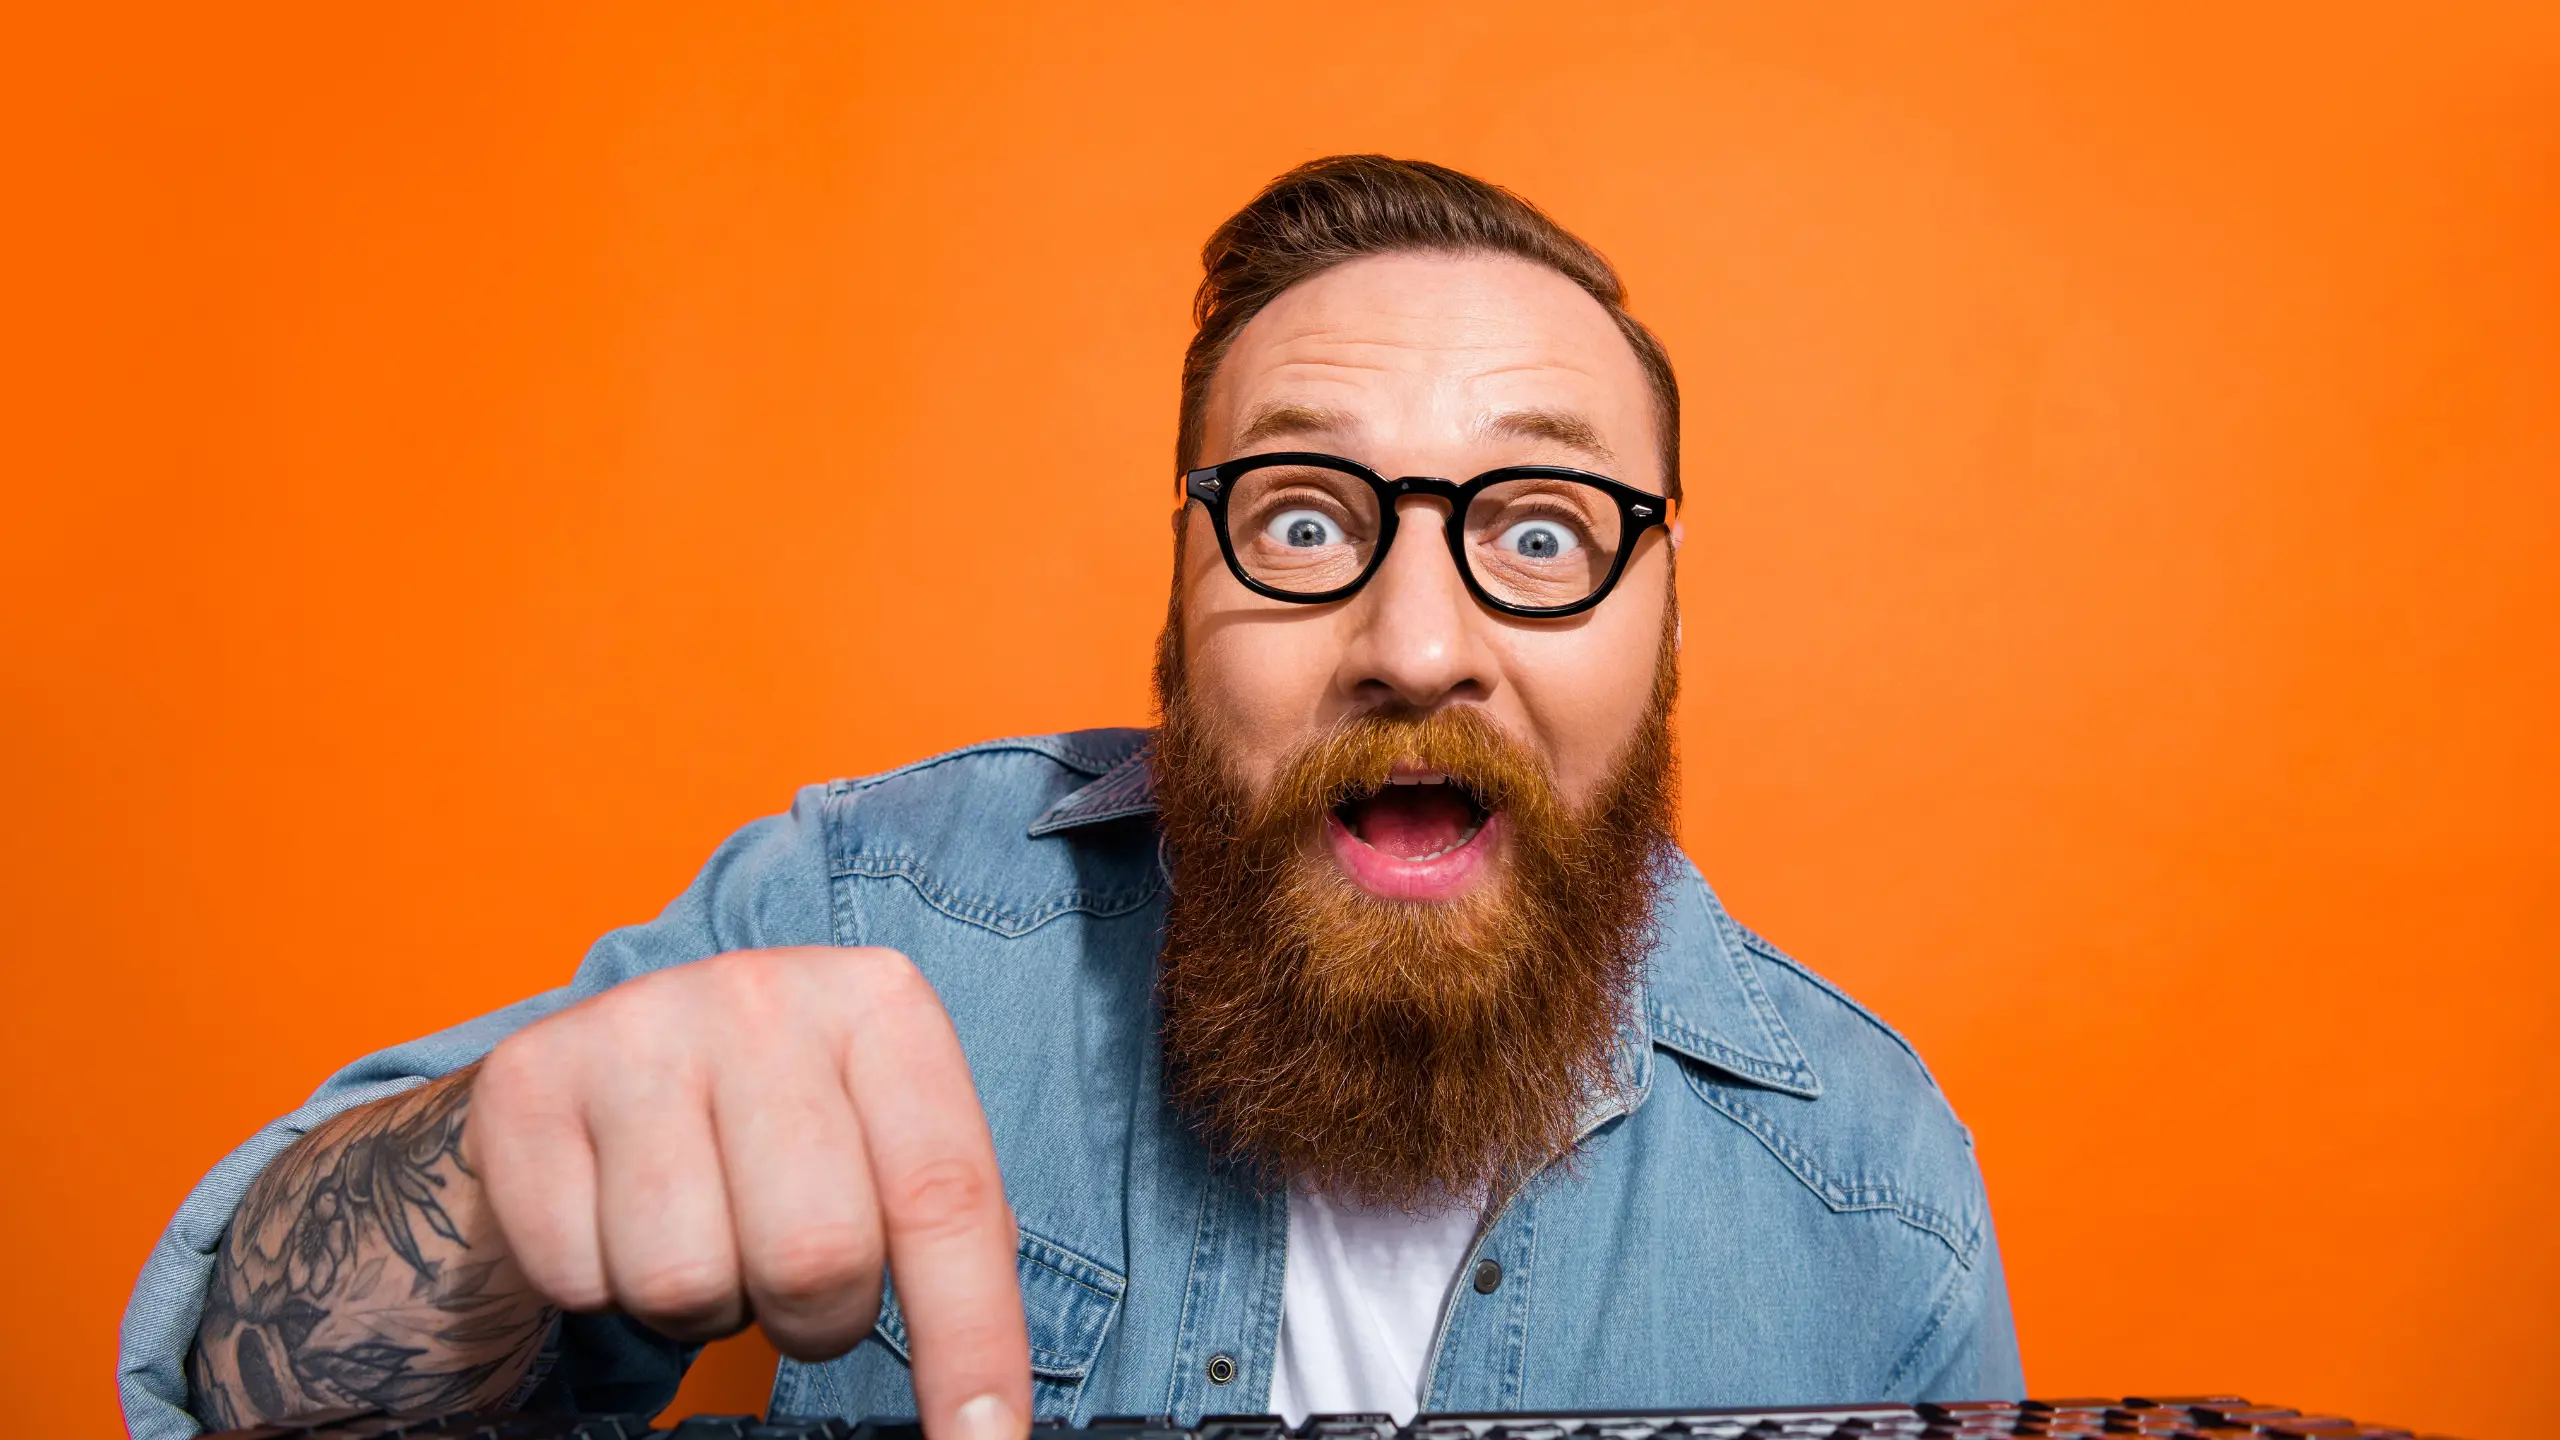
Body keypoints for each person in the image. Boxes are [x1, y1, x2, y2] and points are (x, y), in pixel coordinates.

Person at [120, 155, 2024, 1440]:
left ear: (1665, 613)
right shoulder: (862, 913)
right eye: (1302, 518)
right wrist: (474, 1179)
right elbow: (235, 1388)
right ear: (1182, 595)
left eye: (1541, 528)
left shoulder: (1871, 1193)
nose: (1418, 639)